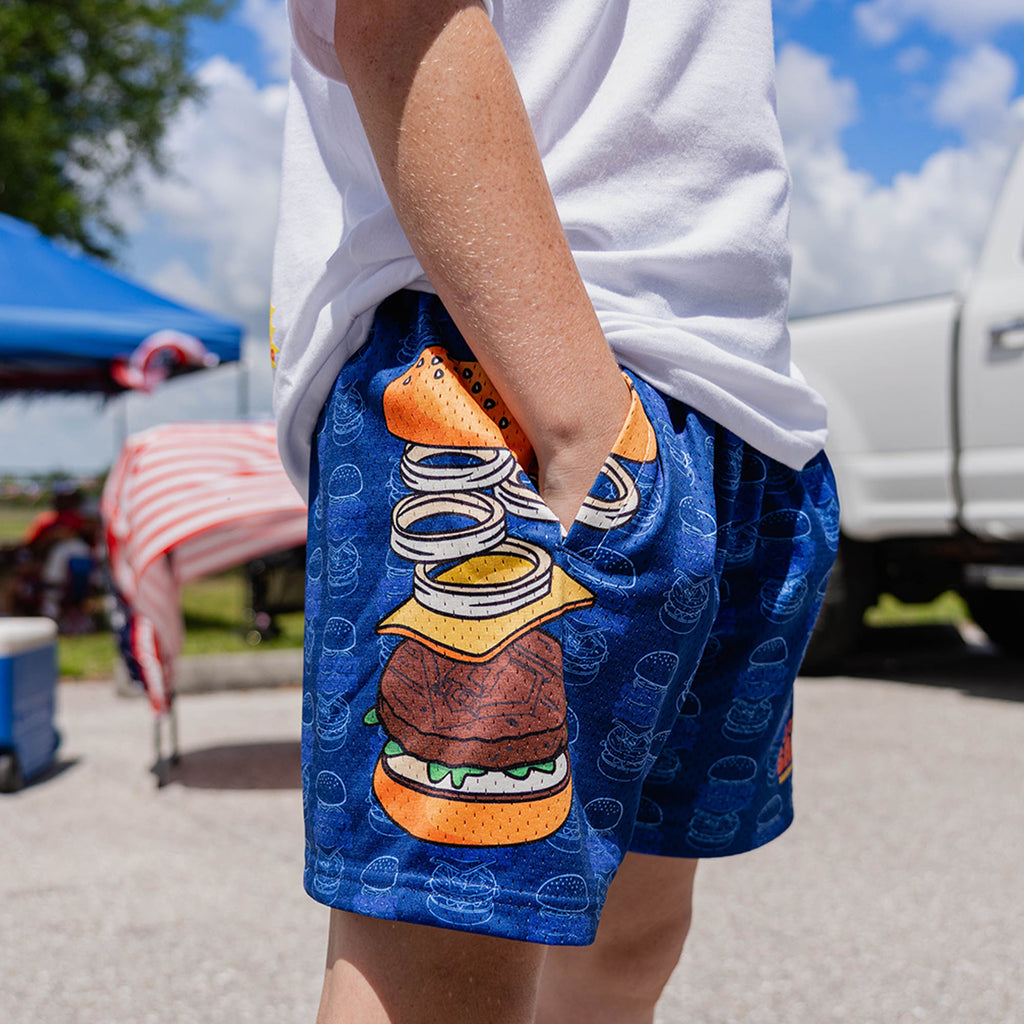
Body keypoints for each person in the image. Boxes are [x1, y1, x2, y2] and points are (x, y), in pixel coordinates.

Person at [270, 2, 839, 1022]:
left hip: (736, 401)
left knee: (632, 941)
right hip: (505, 371)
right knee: (448, 968)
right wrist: (576, 422)